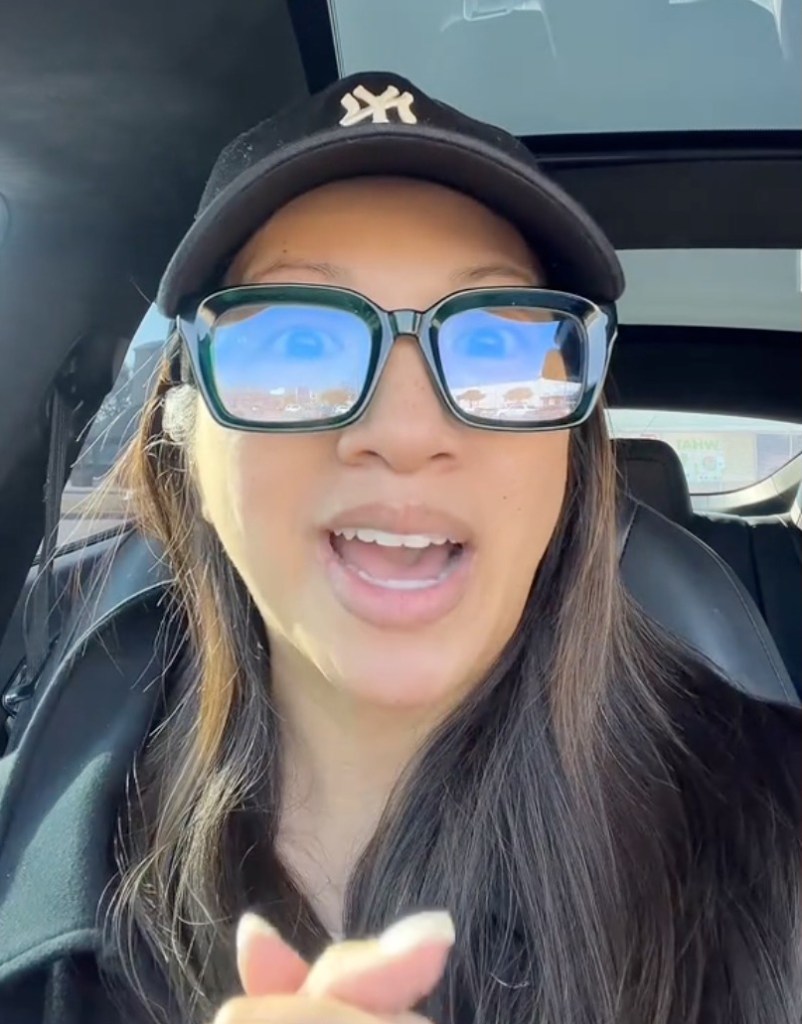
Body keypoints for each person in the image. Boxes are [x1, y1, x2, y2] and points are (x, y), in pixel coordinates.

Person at [0, 71, 799, 1024]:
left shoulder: (777, 829)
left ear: (570, 462)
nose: (406, 429)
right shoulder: (32, 861)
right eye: (299, 347)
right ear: (188, 443)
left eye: (498, 349)